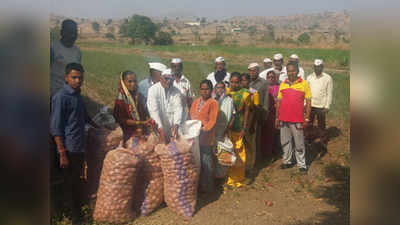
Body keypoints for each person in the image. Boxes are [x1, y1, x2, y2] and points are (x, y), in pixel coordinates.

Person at [50, 63, 101, 223]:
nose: (78, 80)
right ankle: (74, 217)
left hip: (78, 146)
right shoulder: (61, 97)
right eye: (74, 77)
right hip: (68, 148)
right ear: (66, 78)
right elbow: (55, 127)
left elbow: (85, 116)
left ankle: (77, 211)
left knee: (76, 180)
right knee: (69, 183)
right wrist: (62, 152)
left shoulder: (77, 96)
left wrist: (101, 127)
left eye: (80, 78)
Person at [275, 62, 312, 173]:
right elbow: (279, 102)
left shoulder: (304, 84)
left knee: (299, 143)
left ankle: (302, 165)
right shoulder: (283, 84)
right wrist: (277, 117)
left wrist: (307, 118)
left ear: (297, 71)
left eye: (293, 70)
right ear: (286, 72)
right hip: (283, 118)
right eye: (289, 71)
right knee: (285, 142)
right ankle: (287, 161)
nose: (291, 73)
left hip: (297, 119)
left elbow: (309, 102)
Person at [190, 80, 219, 193]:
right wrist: (193, 127)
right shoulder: (196, 101)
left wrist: (203, 129)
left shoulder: (213, 103)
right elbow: (192, 114)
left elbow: (212, 121)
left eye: (206, 89)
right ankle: (199, 186)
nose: (204, 91)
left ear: (211, 90)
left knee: (206, 162)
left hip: (206, 138)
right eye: (202, 89)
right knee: (197, 162)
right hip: (195, 137)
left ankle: (208, 188)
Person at [113, 71, 154, 145]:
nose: (133, 84)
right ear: (123, 82)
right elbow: (122, 120)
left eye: (135, 81)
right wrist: (141, 122)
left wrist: (149, 120)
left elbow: (143, 112)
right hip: (128, 132)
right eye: (129, 81)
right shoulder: (120, 99)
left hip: (141, 129)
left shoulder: (138, 95)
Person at [225, 73, 250, 188]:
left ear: (240, 82)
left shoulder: (245, 94)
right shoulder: (226, 92)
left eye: (236, 82)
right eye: (232, 82)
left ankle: (238, 178)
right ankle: (228, 177)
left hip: (238, 127)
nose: (234, 84)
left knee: (239, 153)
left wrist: (244, 128)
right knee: (228, 151)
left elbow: (246, 112)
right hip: (227, 128)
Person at [147, 68, 184, 144]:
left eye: (171, 79)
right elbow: (154, 112)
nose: (168, 81)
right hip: (158, 128)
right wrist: (161, 131)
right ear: (161, 78)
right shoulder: (153, 90)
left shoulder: (176, 91)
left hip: (172, 128)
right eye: (166, 78)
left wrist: (176, 125)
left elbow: (178, 109)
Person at [306, 59, 333, 154]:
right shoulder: (309, 77)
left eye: (319, 66)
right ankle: (309, 140)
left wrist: (327, 106)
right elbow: (306, 92)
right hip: (310, 105)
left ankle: (323, 142)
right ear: (314, 67)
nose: (317, 68)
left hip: (321, 106)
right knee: (309, 124)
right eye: (316, 67)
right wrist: (305, 104)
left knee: (321, 125)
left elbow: (329, 93)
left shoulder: (327, 78)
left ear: (322, 67)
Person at [50, 19, 82, 97]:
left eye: (75, 32)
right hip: (53, 94)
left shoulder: (78, 52)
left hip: (70, 95)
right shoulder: (52, 48)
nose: (73, 35)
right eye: (70, 32)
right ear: (62, 32)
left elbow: (77, 74)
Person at [247, 63, 269, 165]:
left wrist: (264, 115)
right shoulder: (246, 81)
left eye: (254, 70)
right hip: (246, 112)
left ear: (258, 71)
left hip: (258, 113)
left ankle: (256, 160)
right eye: (250, 70)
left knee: (256, 138)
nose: (252, 73)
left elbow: (265, 100)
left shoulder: (263, 83)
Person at [240, 73, 258, 174]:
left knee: (250, 144)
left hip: (251, 121)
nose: (243, 82)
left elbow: (255, 109)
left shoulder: (254, 93)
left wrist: (251, 124)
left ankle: (250, 166)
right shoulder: (238, 92)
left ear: (249, 81)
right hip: (240, 121)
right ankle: (241, 164)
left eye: (245, 80)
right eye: (241, 80)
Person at [261, 69, 280, 157]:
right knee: (265, 133)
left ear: (275, 78)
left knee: (274, 133)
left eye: (272, 77)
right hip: (266, 112)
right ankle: (265, 152)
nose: (271, 79)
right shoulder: (264, 88)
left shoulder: (279, 87)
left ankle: (274, 152)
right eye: (269, 77)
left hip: (275, 112)